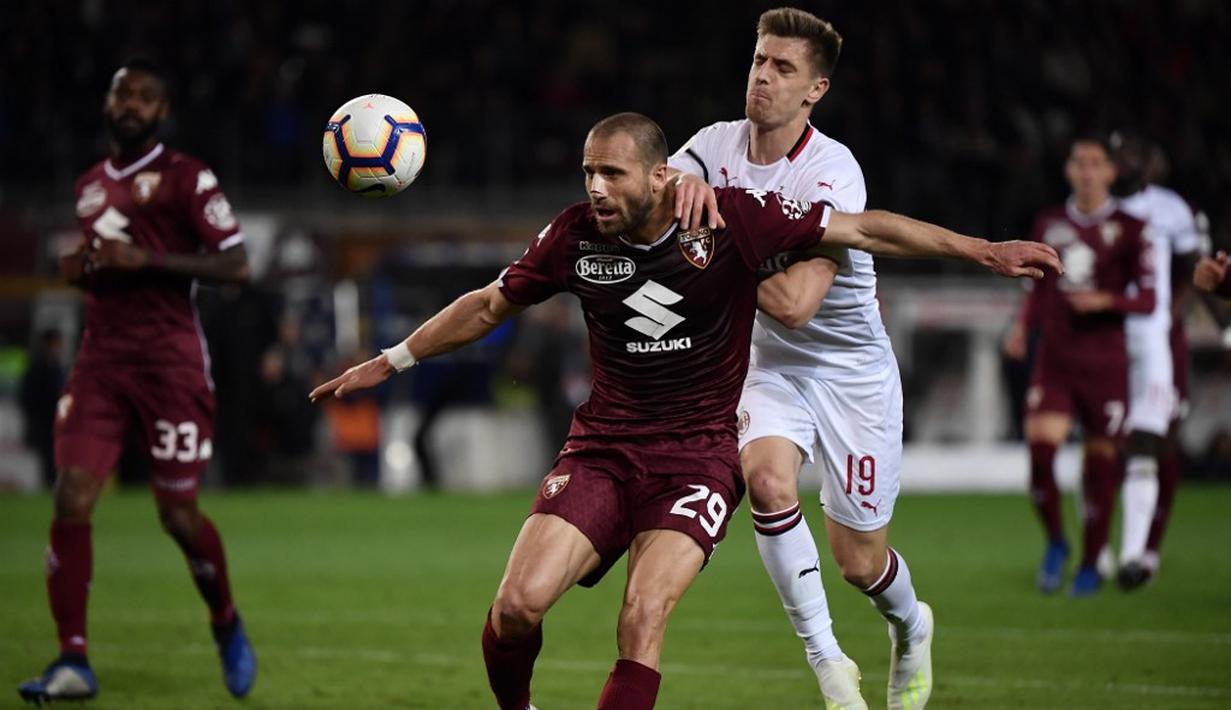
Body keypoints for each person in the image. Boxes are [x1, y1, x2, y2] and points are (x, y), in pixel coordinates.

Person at [311, 112, 1059, 710]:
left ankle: (847, 648)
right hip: (601, 449)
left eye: (611, 172)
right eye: (587, 172)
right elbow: (487, 305)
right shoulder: (572, 235)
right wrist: (393, 358)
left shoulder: (733, 218)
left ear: (659, 174)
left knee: (641, 618)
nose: (596, 187)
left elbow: (861, 227)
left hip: (696, 458)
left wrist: (982, 250)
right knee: (514, 608)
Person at [667, 9, 923, 708]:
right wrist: (665, 187)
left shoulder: (831, 171)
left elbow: (794, 304)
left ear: (815, 89)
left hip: (850, 374)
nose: (763, 78)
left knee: (858, 562)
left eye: (783, 69)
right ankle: (829, 663)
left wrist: (722, 221)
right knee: (768, 482)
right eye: (758, 61)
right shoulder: (711, 147)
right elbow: (660, 190)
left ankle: (911, 622)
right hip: (768, 364)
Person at [17, 59, 256, 704]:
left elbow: (236, 265)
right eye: (122, 93)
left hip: (171, 363)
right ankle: (73, 661)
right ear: (107, 103)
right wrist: (86, 268)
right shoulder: (89, 185)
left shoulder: (187, 177)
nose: (131, 105)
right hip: (101, 362)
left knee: (177, 515)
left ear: (162, 111)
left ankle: (225, 620)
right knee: (71, 499)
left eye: (145, 97)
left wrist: (143, 259)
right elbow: (106, 262)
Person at [1003, 135, 1156, 597]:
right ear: (1069, 170)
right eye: (1079, 162)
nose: (1087, 171)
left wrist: (1107, 300)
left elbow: (1149, 298)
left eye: (1096, 163)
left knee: (1099, 467)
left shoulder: (1132, 228)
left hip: (1106, 362)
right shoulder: (1049, 223)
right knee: (1041, 453)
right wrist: (1020, 325)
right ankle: (1055, 543)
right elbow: (1038, 288)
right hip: (1056, 356)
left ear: (1111, 172)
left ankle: (1091, 561)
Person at [1110, 132, 1204, 589]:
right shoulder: (1092, 213)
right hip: (1103, 342)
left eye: (1130, 153)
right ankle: (1102, 548)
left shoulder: (1169, 210)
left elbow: (1195, 273)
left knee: (1155, 441)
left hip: (1157, 339)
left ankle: (1141, 551)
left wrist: (1173, 316)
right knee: (1104, 446)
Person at [20, 330, 66, 488]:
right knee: (46, 456)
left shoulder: (58, 366)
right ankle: (48, 484)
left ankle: (54, 484)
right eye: (56, 343)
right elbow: (28, 397)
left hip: (58, 421)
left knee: (56, 455)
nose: (59, 347)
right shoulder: (37, 368)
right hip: (43, 422)